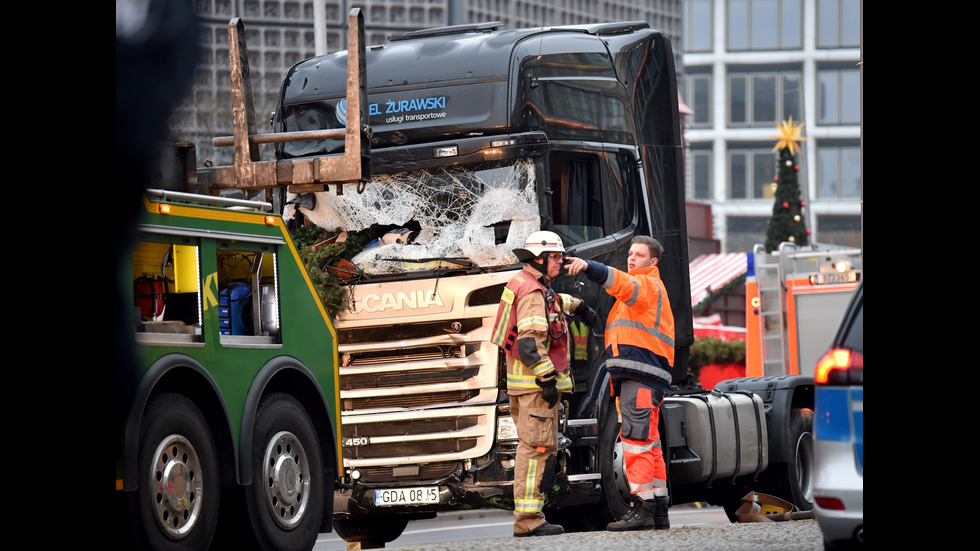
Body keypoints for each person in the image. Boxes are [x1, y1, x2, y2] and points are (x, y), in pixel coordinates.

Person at [491, 230, 597, 537]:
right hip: (537, 387)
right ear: (539, 259)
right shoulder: (532, 292)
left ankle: (529, 516)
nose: (561, 262)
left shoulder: (525, 283)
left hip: (523, 386)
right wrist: (548, 380)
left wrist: (577, 306)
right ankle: (529, 520)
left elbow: (550, 303)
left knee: (534, 447)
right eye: (556, 257)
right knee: (536, 449)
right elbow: (529, 343)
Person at [565, 235, 675, 531]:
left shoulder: (645, 285)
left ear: (652, 262)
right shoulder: (646, 291)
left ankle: (642, 506)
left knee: (636, 442)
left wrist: (588, 266)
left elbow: (621, 283)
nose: (631, 258)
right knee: (650, 443)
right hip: (645, 376)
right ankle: (659, 507)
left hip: (641, 375)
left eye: (638, 255)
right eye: (630, 254)